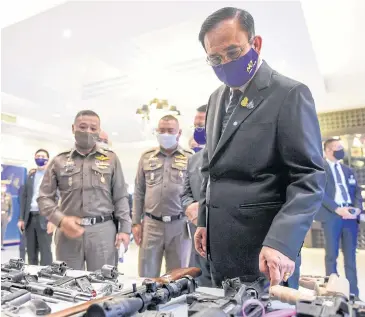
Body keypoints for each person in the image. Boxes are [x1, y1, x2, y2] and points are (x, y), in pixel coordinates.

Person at [194, 7, 326, 288]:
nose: (225, 63)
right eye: (215, 58)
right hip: (220, 248)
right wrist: (204, 221)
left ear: (256, 44)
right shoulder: (216, 99)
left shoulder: (288, 94)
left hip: (266, 253)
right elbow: (211, 168)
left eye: (233, 52)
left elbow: (309, 178)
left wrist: (283, 241)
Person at [37, 110, 131, 271]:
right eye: (83, 127)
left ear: (99, 131)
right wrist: (60, 220)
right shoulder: (59, 161)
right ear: (73, 128)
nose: (88, 131)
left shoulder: (111, 159)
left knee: (104, 285)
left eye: (93, 128)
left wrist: (125, 230)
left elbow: (120, 197)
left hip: (103, 232)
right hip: (68, 232)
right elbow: (44, 197)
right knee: (68, 285)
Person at [132, 115, 193, 277]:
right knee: (147, 277)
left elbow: (196, 193)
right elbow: (139, 192)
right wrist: (135, 222)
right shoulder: (147, 157)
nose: (166, 134)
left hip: (180, 225)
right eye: (162, 130)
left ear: (178, 133)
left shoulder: (190, 157)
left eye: (170, 131)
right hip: (152, 226)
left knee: (177, 277)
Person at [315, 138, 362, 299]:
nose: (341, 150)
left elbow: (356, 191)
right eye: (337, 147)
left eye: (341, 147)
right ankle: (333, 292)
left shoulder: (348, 170)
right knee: (331, 256)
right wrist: (337, 208)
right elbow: (320, 193)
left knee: (350, 257)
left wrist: (357, 209)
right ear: (328, 150)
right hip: (332, 217)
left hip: (350, 218)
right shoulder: (320, 170)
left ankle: (354, 293)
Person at [182, 105, 211, 286]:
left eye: (202, 126)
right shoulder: (194, 159)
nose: (198, 131)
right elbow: (185, 192)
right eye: (196, 126)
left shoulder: (236, 156)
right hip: (198, 237)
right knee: (202, 287)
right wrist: (189, 205)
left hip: (227, 236)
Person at [18, 149, 53, 265]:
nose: (40, 158)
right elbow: (24, 198)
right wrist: (21, 218)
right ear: (34, 158)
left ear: (48, 159)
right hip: (29, 219)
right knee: (31, 252)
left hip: (44, 218)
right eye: (38, 156)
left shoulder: (52, 176)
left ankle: (46, 279)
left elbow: (56, 199)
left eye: (43, 156)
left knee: (45, 252)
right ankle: (32, 278)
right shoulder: (30, 176)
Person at [1, 181, 13, 250]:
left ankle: (1, 245)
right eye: (1, 186)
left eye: (4, 186)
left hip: (5, 215)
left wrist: (10, 215)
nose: (3, 188)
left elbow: (11, 206)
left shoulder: (8, 195)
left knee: (3, 231)